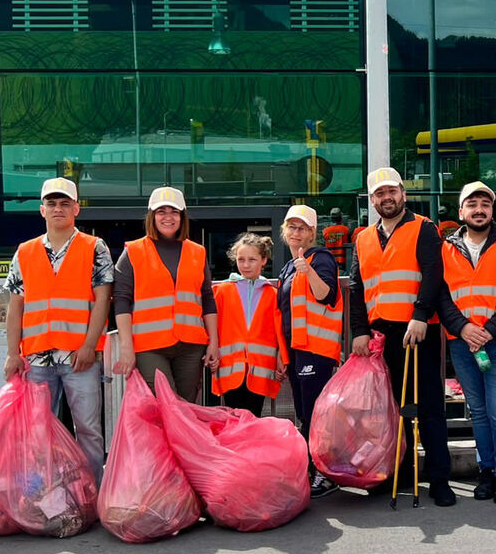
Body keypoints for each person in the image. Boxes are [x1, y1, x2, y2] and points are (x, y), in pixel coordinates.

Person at [349, 167, 456, 505]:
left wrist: (421, 315)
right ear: (373, 200)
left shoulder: (424, 228)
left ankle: (439, 479)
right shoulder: (363, 238)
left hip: (417, 330)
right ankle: (398, 473)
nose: (387, 198)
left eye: (391, 191)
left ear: (403, 194)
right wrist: (359, 331)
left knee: (428, 408)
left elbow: (433, 274)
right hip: (381, 335)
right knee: (389, 410)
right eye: (380, 194)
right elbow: (356, 288)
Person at [2, 176, 112, 481]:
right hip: (37, 359)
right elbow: (15, 307)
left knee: (88, 430)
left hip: (80, 357)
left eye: (65, 203)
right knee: (39, 432)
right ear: (42, 210)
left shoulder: (95, 247)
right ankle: (45, 496)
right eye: (52, 203)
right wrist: (13, 354)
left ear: (77, 208)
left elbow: (103, 300)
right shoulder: (24, 252)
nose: (58, 208)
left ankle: (92, 494)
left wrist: (90, 345)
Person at [438, 182, 496, 504]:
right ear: (461, 211)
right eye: (472, 204)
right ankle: (486, 471)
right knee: (478, 410)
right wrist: (463, 328)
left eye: (485, 204)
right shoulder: (446, 247)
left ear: (492, 210)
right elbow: (442, 295)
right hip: (463, 343)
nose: (479, 209)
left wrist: (488, 331)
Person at [111, 187, 219, 402]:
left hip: (191, 345)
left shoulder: (198, 252)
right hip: (149, 347)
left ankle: (182, 438)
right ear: (152, 216)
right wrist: (126, 347)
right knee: (165, 404)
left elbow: (207, 298)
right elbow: (121, 300)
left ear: (182, 216)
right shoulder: (132, 251)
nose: (168, 217)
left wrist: (213, 342)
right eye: (161, 212)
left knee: (186, 405)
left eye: (174, 212)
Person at [276, 204, 344, 497]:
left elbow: (327, 295)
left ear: (313, 232)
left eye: (302, 228)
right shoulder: (288, 267)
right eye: (291, 227)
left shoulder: (321, 258)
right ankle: (313, 469)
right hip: (297, 349)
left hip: (316, 349)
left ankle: (325, 473)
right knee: (306, 413)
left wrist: (308, 270)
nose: (296, 232)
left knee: (317, 415)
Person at [211, 233, 284, 416]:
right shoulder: (221, 291)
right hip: (229, 368)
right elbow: (212, 327)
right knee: (234, 419)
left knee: (254, 418)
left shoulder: (273, 294)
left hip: (260, 370)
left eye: (252, 259)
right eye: (241, 259)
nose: (245, 264)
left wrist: (282, 357)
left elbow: (279, 331)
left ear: (263, 260)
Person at [322, 208, 351, 274]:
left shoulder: (325, 231)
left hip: (329, 261)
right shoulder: (346, 230)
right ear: (341, 218)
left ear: (331, 219)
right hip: (343, 262)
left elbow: (323, 246)